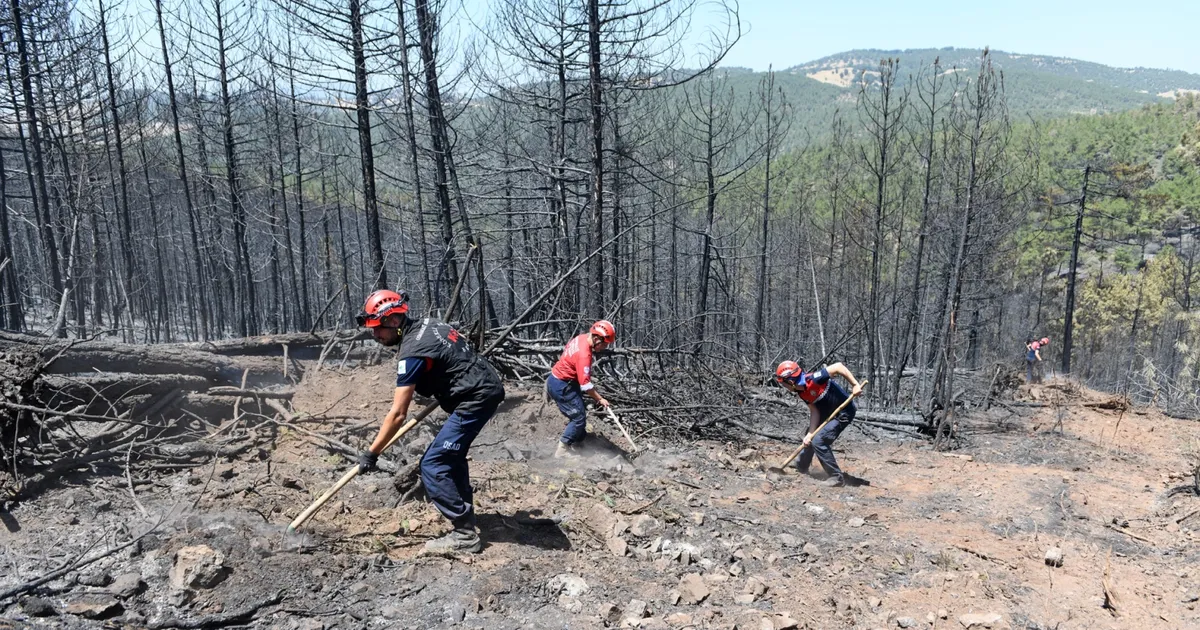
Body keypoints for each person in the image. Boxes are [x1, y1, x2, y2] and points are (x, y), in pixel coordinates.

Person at [354, 289, 505, 554]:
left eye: (378, 329)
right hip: (482, 389)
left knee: (433, 464)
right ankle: (466, 519)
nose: (375, 336)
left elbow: (398, 414)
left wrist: (372, 452)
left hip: (476, 399)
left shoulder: (412, 351)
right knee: (451, 457)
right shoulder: (430, 324)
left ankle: (464, 536)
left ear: (394, 321)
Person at [774, 360, 863, 487]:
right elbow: (814, 411)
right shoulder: (801, 392)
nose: (784, 387)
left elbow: (838, 366)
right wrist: (810, 434)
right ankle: (802, 467)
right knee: (809, 437)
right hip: (825, 414)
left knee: (819, 441)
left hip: (843, 413)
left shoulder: (815, 379)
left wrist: (855, 385)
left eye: (784, 384)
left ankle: (836, 477)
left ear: (791, 381)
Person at [548, 320, 615, 458]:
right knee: (578, 418)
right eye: (604, 344)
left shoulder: (581, 338)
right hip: (561, 385)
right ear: (597, 338)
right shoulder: (585, 354)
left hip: (561, 380)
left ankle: (578, 441)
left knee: (579, 411)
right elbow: (586, 385)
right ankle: (562, 450)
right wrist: (600, 399)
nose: (604, 347)